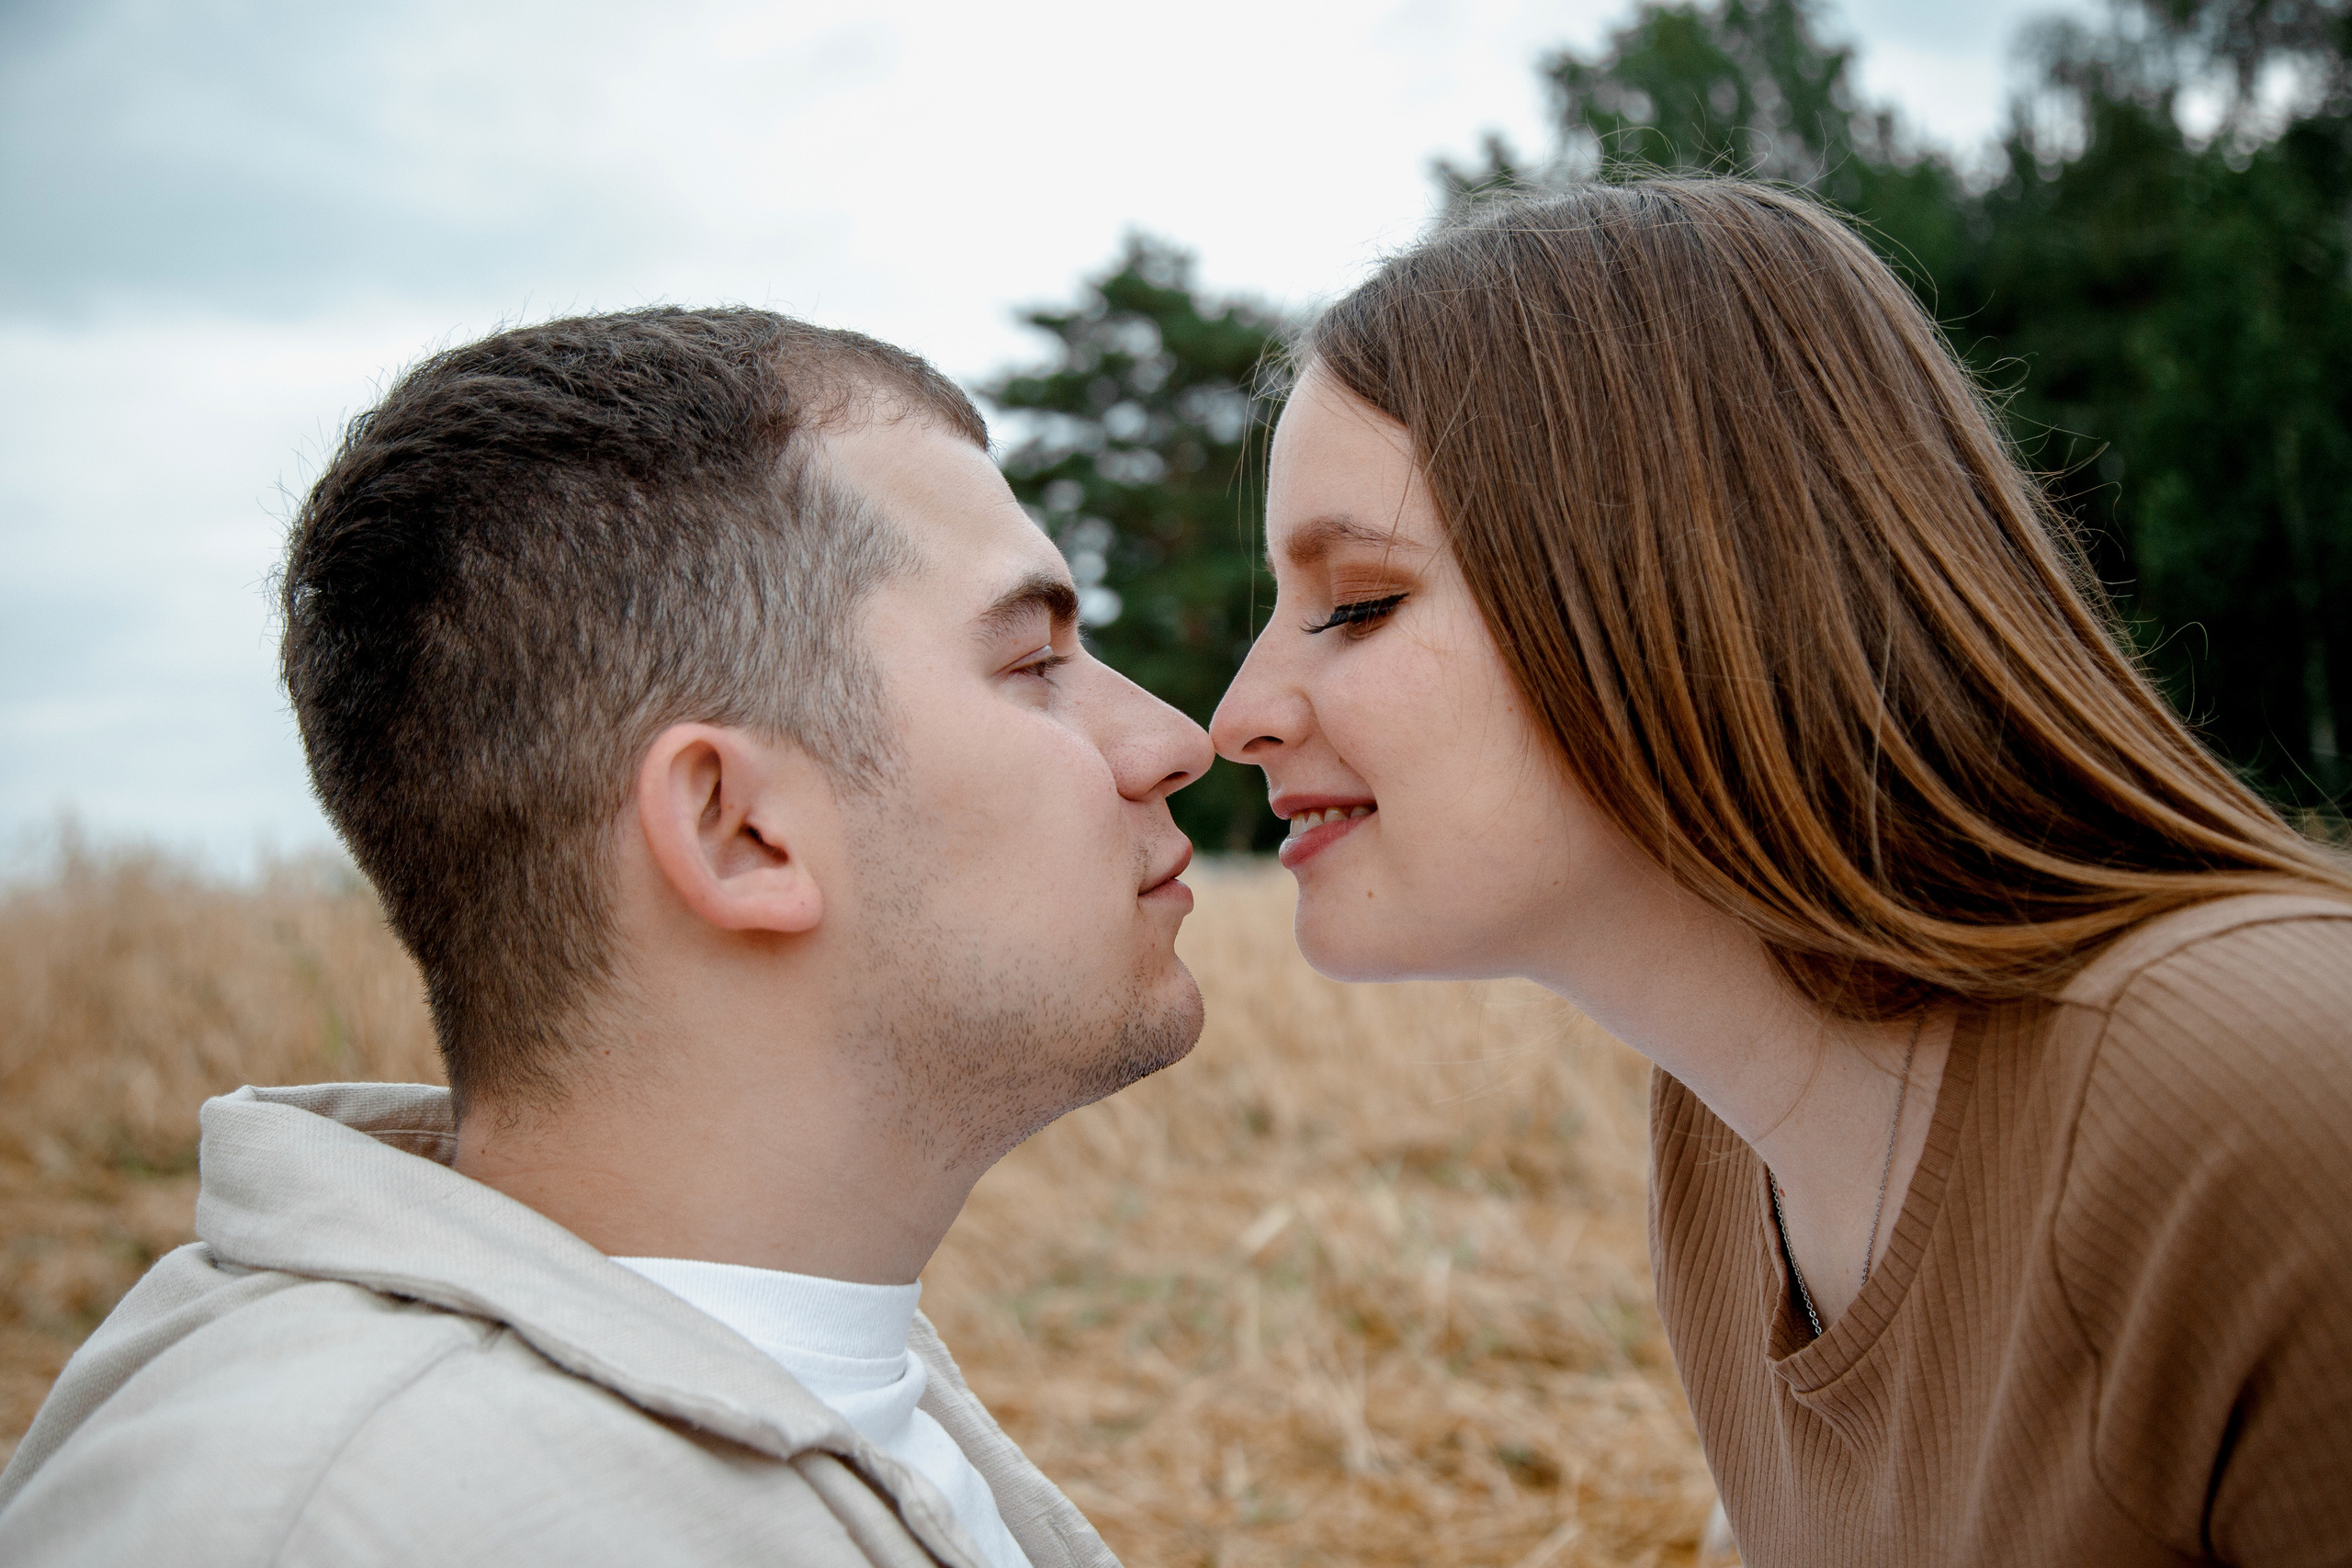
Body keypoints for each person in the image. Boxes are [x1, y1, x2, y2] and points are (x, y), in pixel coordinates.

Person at [1210, 180, 2352, 1566]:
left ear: (1676, 583)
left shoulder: (2272, 1094)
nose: (1237, 716)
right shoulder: (1727, 1149)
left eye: (1359, 602)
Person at [0, 310, 1213, 1567]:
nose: (1176, 740)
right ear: (739, 831)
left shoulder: (814, 1382)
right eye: (1033, 661)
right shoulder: (323, 1524)